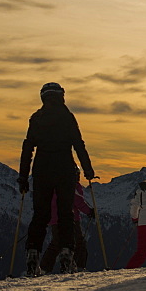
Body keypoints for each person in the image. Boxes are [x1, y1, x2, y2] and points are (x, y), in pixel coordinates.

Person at [17, 82, 96, 276]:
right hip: (64, 169)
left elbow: (28, 148)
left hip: (41, 170)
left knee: (40, 215)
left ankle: (32, 257)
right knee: (65, 214)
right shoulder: (67, 117)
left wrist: (23, 176)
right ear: (61, 96)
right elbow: (79, 144)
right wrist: (88, 169)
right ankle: (67, 257)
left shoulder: (36, 118)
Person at [40, 166, 94, 273]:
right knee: (79, 242)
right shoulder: (71, 186)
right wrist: (89, 211)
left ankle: (44, 268)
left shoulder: (55, 186)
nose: (78, 177)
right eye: (77, 174)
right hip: (71, 219)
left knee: (56, 243)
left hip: (55, 219)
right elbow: (78, 201)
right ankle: (78, 266)